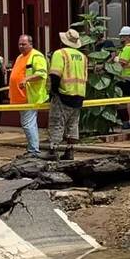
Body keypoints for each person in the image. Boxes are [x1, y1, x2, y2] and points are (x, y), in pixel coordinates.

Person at [44, 28, 89, 161]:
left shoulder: (60, 54)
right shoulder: (83, 57)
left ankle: (53, 150)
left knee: (57, 122)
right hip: (79, 94)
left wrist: (53, 91)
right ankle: (70, 152)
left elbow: (55, 75)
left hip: (64, 93)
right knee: (73, 124)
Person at [9, 34, 48, 155]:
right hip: (20, 97)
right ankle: (32, 149)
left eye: (24, 44)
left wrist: (27, 79)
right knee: (27, 123)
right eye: (19, 44)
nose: (21, 46)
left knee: (28, 123)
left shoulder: (36, 56)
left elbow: (41, 73)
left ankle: (33, 150)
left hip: (30, 97)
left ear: (31, 44)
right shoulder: (20, 57)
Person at [115, 26, 130, 130]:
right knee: (125, 100)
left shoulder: (128, 48)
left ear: (129, 37)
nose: (121, 39)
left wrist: (115, 60)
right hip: (129, 77)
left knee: (129, 100)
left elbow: (122, 62)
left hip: (127, 78)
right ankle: (127, 121)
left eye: (123, 37)